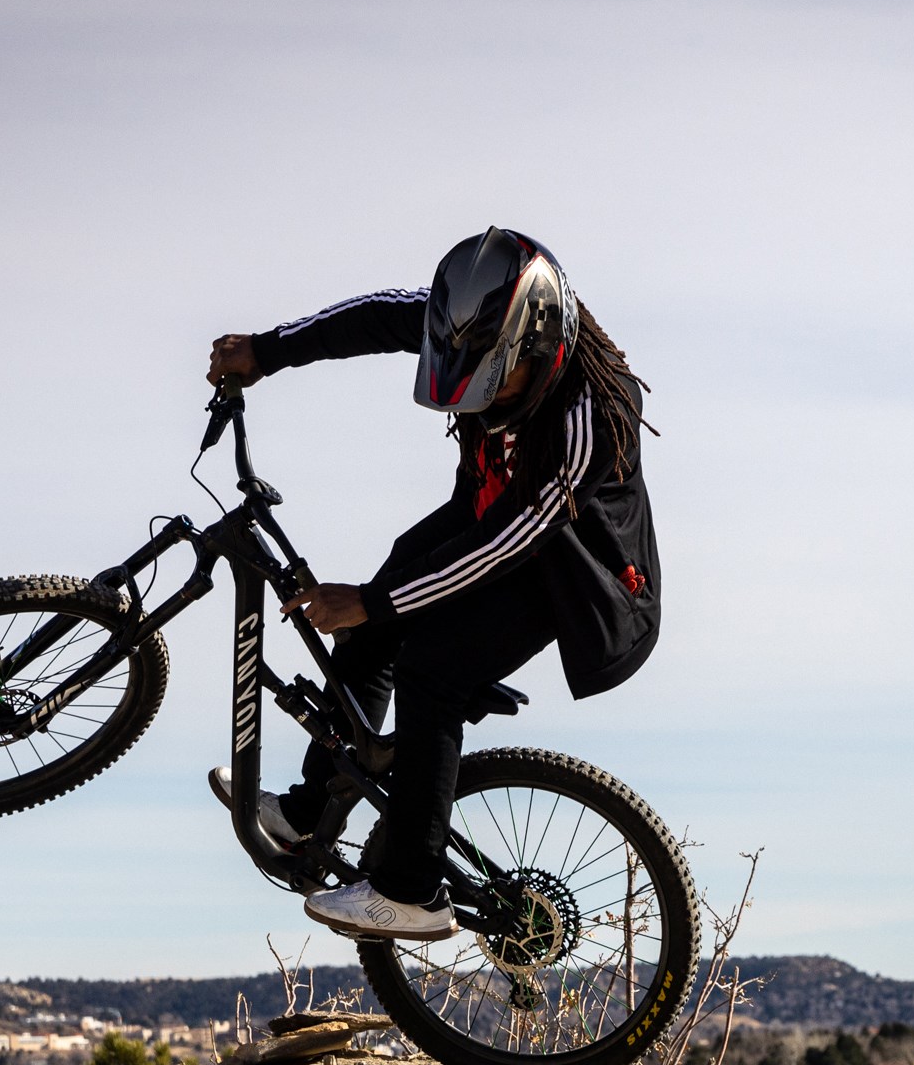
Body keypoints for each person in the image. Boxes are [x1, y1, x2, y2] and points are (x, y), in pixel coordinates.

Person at [205, 227, 659, 941]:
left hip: (574, 573)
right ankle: (305, 816)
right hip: (487, 515)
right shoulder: (473, 312)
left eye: (497, 382)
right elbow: (373, 316)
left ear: (540, 351)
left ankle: (410, 891)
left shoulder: (592, 415)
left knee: (432, 670)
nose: (477, 401)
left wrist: (377, 600)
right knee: (373, 620)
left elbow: (515, 538)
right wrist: (267, 350)